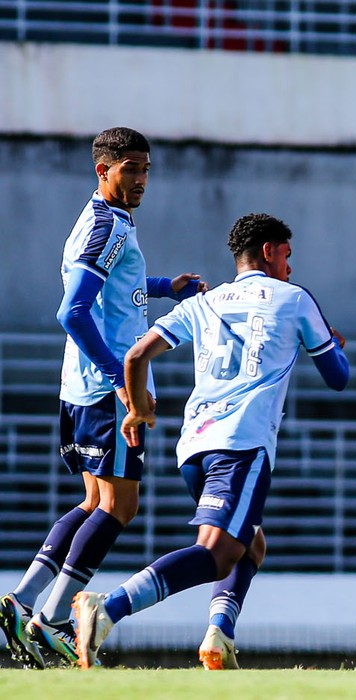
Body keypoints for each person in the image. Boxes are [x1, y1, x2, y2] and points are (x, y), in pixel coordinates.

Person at [70, 212, 350, 670]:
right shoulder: (293, 298)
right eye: (287, 255)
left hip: (194, 447)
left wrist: (139, 409)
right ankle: (109, 608)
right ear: (268, 251)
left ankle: (219, 635)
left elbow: (137, 354)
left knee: (249, 543)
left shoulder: (205, 301)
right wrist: (330, 345)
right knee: (218, 555)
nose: (290, 267)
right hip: (243, 445)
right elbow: (338, 378)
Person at [0, 127, 207, 669]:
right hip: (105, 389)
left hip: (77, 385)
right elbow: (72, 312)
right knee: (122, 505)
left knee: (95, 503)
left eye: (145, 169)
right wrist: (122, 379)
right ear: (103, 170)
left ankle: (21, 600)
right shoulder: (107, 226)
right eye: (130, 168)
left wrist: (165, 287)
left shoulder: (98, 221)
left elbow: (114, 286)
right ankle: (53, 620)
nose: (140, 179)